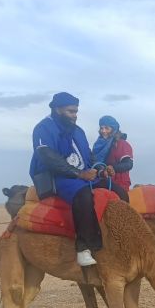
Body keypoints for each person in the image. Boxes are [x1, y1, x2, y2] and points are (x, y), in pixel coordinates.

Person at [29, 92, 103, 266]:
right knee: (84, 196)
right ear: (57, 109)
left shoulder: (78, 131)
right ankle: (83, 248)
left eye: (76, 112)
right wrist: (79, 174)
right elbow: (47, 156)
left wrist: (100, 168)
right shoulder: (43, 128)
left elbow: (89, 156)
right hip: (59, 178)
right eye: (71, 111)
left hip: (83, 176)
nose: (74, 115)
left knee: (118, 190)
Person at [92, 115, 134, 193]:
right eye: (101, 128)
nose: (103, 131)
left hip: (119, 184)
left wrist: (112, 168)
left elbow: (128, 164)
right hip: (102, 180)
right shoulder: (98, 145)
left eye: (107, 128)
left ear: (114, 129)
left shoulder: (122, 144)